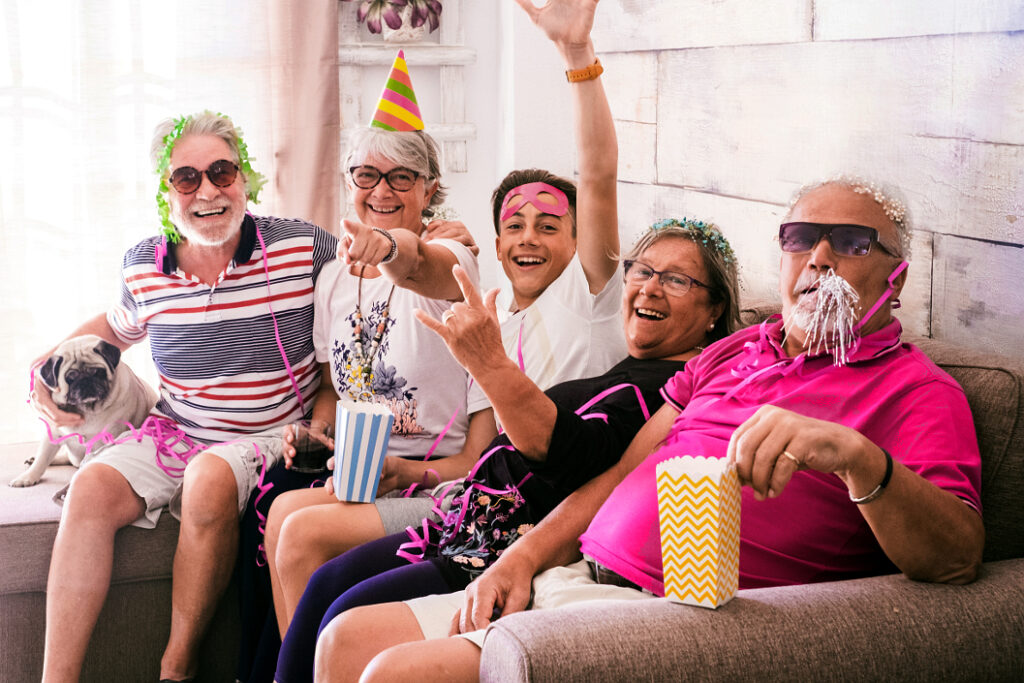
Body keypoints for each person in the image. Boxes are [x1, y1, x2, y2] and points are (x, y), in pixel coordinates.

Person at [324, 175, 985, 682]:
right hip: (583, 576)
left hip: (687, 620)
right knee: (345, 639)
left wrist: (857, 458)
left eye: (849, 241)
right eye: (799, 237)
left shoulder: (920, 390)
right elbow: (620, 474)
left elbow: (956, 557)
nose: (816, 257)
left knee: (394, 674)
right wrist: (519, 560)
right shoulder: (734, 351)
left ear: (897, 275)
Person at [260, 2, 626, 667]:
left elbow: (595, 177)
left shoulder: (591, 297)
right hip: (477, 506)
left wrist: (578, 57)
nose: (529, 236)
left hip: (521, 510)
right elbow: (426, 266)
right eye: (514, 223)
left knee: (326, 578)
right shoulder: (486, 313)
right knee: (296, 541)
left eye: (549, 224)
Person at [273, 218, 739, 683]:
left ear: (715, 307)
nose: (650, 289)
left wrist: (489, 363)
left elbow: (568, 456)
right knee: (323, 582)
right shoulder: (633, 363)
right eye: (642, 271)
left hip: (497, 542)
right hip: (459, 517)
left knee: (337, 605)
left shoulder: (674, 387)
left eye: (676, 279)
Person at [28, 110, 338, 683]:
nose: (208, 191)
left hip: (272, 435)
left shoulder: (303, 247)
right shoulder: (144, 266)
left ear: (245, 178)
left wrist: (429, 237)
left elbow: (373, 278)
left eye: (222, 171)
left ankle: (177, 668)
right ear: (165, 192)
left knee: (209, 476)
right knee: (89, 488)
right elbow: (115, 329)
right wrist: (39, 368)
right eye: (187, 178)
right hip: (179, 430)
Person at [237, 52, 497, 683]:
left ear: (430, 189)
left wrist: (386, 248)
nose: (381, 190)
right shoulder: (331, 279)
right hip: (362, 472)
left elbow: (418, 260)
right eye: (367, 174)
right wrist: (318, 433)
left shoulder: (454, 257)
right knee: (280, 512)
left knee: (297, 534)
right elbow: (337, 389)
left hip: (437, 483)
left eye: (402, 177)